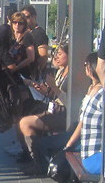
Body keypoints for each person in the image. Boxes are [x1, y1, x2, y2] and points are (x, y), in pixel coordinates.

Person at [17, 43, 69, 175]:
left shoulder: (72, 77)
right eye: (56, 54)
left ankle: (38, 162)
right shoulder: (60, 72)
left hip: (64, 114)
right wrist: (44, 90)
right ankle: (35, 158)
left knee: (25, 123)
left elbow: (70, 102)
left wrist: (53, 86)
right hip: (54, 108)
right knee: (26, 111)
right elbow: (54, 95)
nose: (56, 57)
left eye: (60, 54)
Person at [59, 52, 104, 183]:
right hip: (94, 156)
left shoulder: (94, 91)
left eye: (86, 65)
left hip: (88, 154)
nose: (84, 68)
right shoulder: (103, 94)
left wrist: (69, 144)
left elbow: (83, 121)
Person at [2, 11, 36, 77]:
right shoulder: (9, 35)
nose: (17, 25)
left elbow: (31, 58)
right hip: (10, 72)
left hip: (24, 73)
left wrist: (15, 68)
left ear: (24, 24)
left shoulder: (27, 36)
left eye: (20, 23)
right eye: (14, 22)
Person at [20, 5, 50, 80]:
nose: (23, 20)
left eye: (26, 17)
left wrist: (36, 74)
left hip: (34, 78)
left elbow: (43, 56)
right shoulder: (29, 33)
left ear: (34, 17)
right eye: (22, 18)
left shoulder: (38, 33)